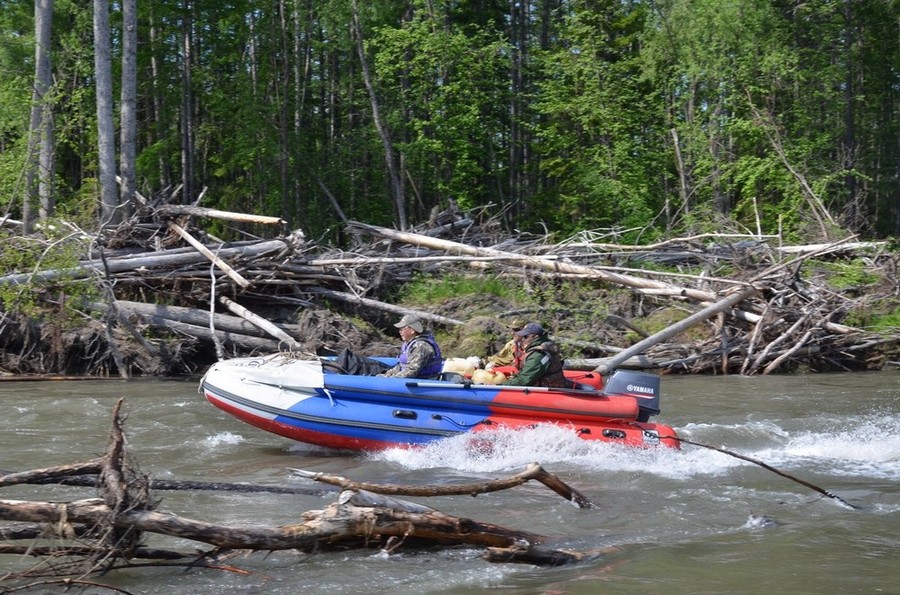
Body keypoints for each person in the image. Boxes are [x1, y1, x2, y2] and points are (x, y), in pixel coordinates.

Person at [501, 322, 570, 388]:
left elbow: (524, 380)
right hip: (554, 385)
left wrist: (500, 385)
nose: (523, 339)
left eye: (525, 336)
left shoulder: (538, 355)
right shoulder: (547, 345)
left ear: (535, 336)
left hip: (547, 391)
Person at [378, 314, 443, 379]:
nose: (400, 332)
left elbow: (412, 371)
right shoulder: (409, 343)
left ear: (412, 330)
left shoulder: (421, 346)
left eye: (402, 329)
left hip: (424, 381)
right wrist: (387, 375)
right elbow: (400, 367)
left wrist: (391, 379)